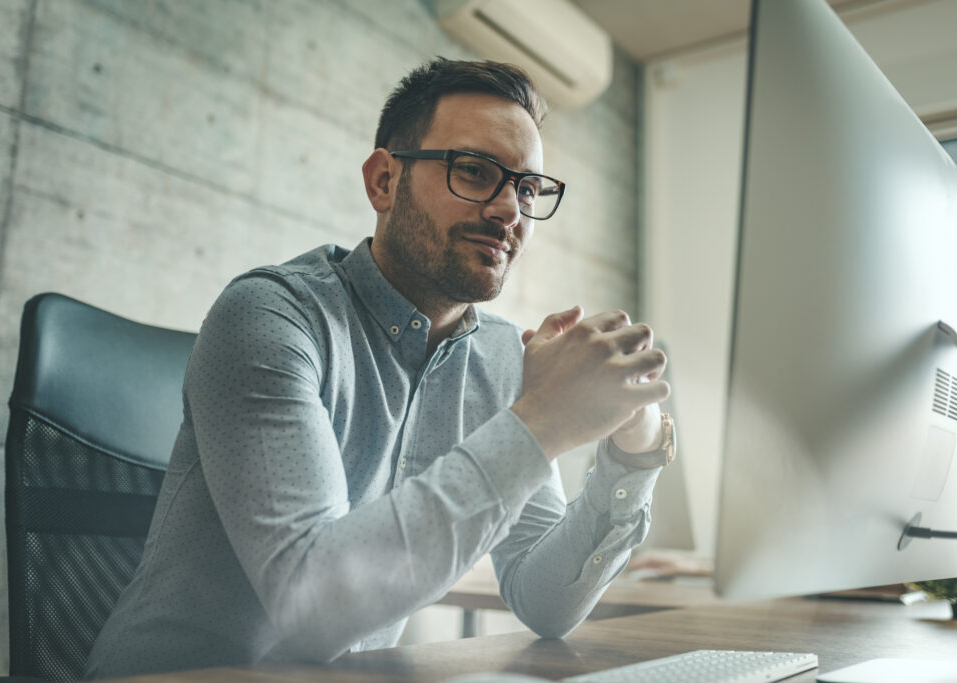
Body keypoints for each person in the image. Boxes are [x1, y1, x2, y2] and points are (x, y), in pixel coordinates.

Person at [84, 58, 674, 678]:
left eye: (528, 189)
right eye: (475, 171)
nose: (510, 211)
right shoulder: (267, 315)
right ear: (384, 181)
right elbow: (312, 608)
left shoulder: (501, 357)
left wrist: (633, 452)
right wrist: (544, 420)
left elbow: (545, 600)